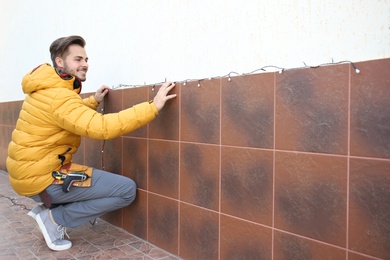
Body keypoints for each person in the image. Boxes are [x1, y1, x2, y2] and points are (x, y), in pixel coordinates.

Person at [6, 35, 176, 251]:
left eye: (86, 59)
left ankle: (46, 211)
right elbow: (102, 127)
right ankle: (54, 218)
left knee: (99, 182)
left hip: (29, 175)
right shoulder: (59, 96)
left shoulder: (46, 88)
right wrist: (152, 107)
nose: (85, 64)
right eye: (78, 59)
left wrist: (92, 101)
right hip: (45, 179)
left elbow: (65, 114)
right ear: (60, 62)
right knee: (125, 190)